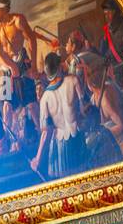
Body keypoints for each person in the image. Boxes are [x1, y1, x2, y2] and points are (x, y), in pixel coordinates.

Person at [32, 52, 87, 180]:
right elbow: (84, 110)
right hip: (77, 138)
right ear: (59, 67)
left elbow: (45, 133)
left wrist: (37, 159)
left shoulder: (44, 98)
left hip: (59, 146)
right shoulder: (73, 81)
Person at [0, 0, 38, 109]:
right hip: (6, 68)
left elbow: (31, 40)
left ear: (4, 9)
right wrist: (10, 66)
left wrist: (33, 66)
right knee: (6, 105)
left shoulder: (18, 20)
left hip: (22, 62)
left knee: (30, 103)